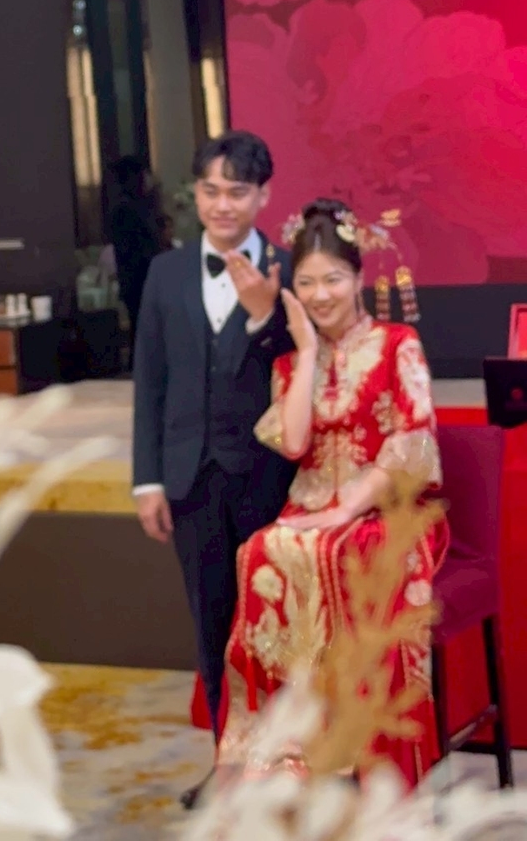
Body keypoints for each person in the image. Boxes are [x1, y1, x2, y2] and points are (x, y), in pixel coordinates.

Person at [220, 199, 448, 790]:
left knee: (355, 555)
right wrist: (307, 352)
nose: (320, 295)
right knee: (260, 552)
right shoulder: (291, 362)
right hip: (311, 505)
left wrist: (347, 508)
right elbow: (295, 443)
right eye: (307, 283)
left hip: (387, 509)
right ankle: (287, 752)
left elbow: (412, 441)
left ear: (359, 277)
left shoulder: (398, 343)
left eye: (333, 279)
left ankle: (364, 754)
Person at [132, 131, 296, 806]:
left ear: (263, 196)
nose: (222, 204)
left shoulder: (291, 269)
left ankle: (283, 768)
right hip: (189, 477)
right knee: (211, 627)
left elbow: (302, 365)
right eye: (210, 190)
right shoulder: (165, 273)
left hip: (266, 477)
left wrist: (264, 319)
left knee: (274, 627)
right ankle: (227, 766)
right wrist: (147, 479)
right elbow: (151, 380)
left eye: (237, 191)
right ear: (195, 194)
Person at [108, 156, 165, 349]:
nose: (149, 179)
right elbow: (141, 250)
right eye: (145, 175)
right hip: (139, 280)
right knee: (144, 331)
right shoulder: (127, 210)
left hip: (139, 281)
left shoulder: (134, 207)